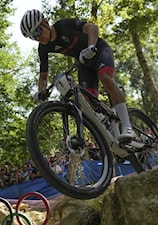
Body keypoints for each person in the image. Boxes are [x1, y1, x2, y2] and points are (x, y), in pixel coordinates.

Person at [20, 9, 136, 140]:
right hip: (84, 63)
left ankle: (127, 126)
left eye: (37, 31)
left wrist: (91, 46)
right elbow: (43, 76)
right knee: (86, 100)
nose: (37, 38)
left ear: (46, 23)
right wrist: (41, 92)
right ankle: (108, 124)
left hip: (99, 51)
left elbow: (92, 27)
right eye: (32, 36)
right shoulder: (43, 48)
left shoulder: (63, 26)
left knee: (106, 79)